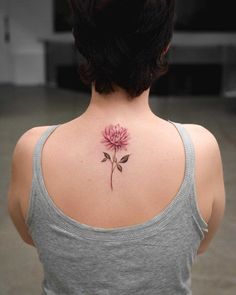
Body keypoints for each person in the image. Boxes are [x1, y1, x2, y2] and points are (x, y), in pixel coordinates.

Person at [7, 0, 225, 294]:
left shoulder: (31, 150)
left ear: (80, 41)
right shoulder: (201, 149)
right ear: (165, 46)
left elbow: (32, 236)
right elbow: (199, 244)